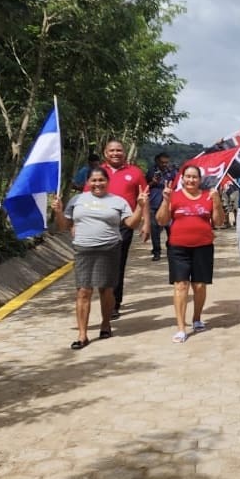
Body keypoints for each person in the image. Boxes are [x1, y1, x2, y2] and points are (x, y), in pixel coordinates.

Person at [51, 168, 147, 350]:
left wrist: (140, 206)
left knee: (106, 290)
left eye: (101, 180)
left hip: (109, 249)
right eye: (93, 180)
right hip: (83, 249)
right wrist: (58, 212)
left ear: (107, 181)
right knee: (83, 291)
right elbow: (64, 225)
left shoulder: (118, 201)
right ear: (87, 182)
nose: (97, 184)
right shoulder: (77, 200)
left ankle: (105, 324)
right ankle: (82, 334)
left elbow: (131, 224)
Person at [154, 165, 225, 343]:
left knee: (199, 286)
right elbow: (161, 220)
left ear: (200, 180)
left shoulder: (208, 196)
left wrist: (217, 203)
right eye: (188, 177)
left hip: (203, 246)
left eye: (194, 177)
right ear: (182, 178)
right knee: (180, 286)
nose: (191, 180)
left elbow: (218, 222)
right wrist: (165, 200)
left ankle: (197, 318)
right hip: (178, 247)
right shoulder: (174, 196)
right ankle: (181, 327)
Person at [90, 140, 149, 319]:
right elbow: (85, 196)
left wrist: (146, 222)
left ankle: (114, 303)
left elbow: (143, 198)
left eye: (119, 150)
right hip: (98, 225)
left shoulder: (135, 173)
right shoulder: (98, 173)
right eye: (112, 150)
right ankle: (104, 296)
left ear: (124, 153)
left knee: (117, 263)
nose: (116, 153)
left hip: (124, 224)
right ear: (105, 153)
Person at [146, 152, 177, 261]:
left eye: (166, 162)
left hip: (168, 204)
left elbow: (177, 185)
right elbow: (145, 186)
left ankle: (171, 249)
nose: (164, 165)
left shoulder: (172, 172)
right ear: (157, 161)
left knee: (171, 229)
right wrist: (153, 182)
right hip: (154, 204)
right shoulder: (151, 171)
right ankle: (157, 252)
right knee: (155, 230)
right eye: (162, 162)